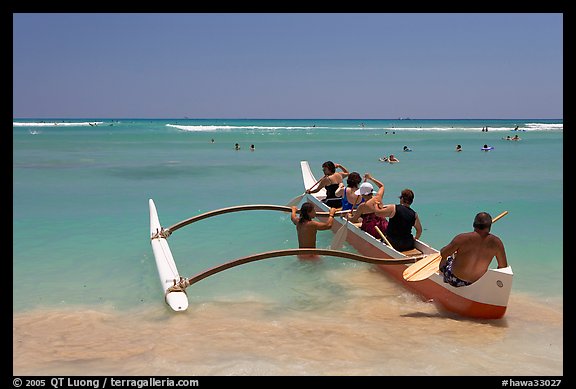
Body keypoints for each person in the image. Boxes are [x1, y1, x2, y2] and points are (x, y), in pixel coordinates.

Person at [438, 212, 508, 287]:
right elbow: (503, 266)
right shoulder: (497, 243)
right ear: (489, 226)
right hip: (478, 282)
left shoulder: (462, 238)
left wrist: (443, 251)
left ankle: (442, 276)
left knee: (446, 258)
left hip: (455, 280)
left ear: (474, 224)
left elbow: (444, 253)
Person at [347, 173, 388, 239]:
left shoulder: (362, 206)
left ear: (363, 194)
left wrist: (348, 217)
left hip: (372, 230)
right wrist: (371, 178)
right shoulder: (378, 197)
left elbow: (354, 220)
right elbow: (381, 186)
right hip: (384, 226)